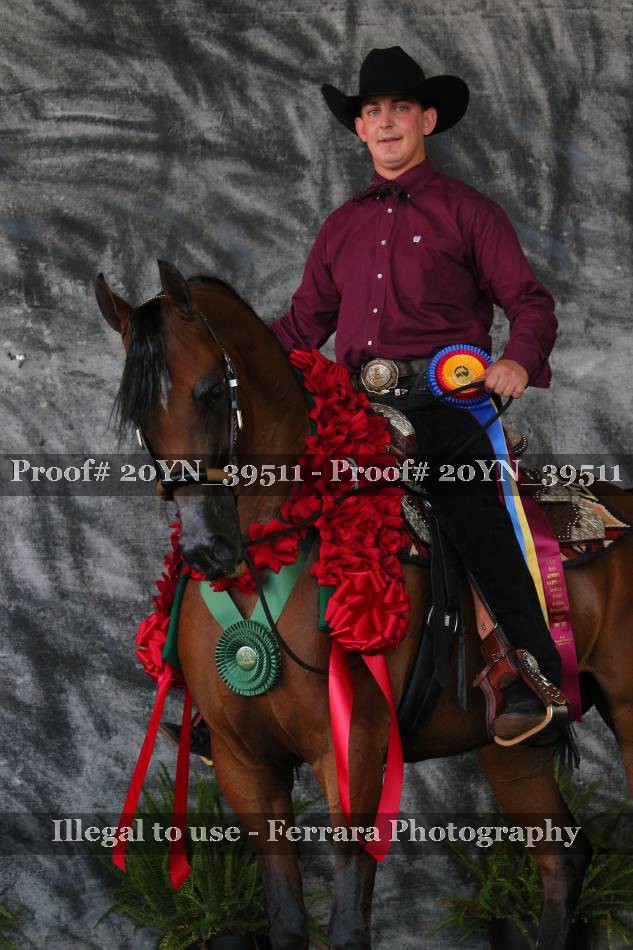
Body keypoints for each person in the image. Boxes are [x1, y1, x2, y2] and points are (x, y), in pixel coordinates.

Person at [268, 45, 569, 745]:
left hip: (444, 402)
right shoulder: (340, 227)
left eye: (399, 108)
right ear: (358, 128)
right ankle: (250, 679)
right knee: (271, 496)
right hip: (353, 411)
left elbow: (529, 301)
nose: (385, 122)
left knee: (469, 504)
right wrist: (229, 350)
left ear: (426, 120)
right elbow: (302, 326)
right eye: (372, 111)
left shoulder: (470, 212)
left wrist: (517, 361)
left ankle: (523, 669)